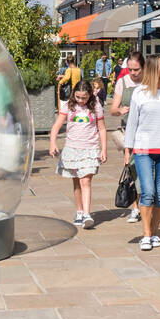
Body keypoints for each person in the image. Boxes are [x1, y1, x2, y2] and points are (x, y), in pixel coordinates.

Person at [122, 55, 160, 251]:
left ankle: (155, 233)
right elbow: (131, 124)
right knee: (147, 192)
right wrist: (127, 151)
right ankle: (146, 234)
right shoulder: (139, 93)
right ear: (155, 69)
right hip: (143, 150)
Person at [48, 79, 107, 229]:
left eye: (84, 98)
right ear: (74, 94)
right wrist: (53, 143)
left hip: (90, 149)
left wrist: (104, 149)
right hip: (72, 149)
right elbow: (56, 126)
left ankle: (87, 214)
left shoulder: (96, 106)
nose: (81, 100)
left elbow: (102, 128)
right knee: (76, 183)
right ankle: (79, 211)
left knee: (85, 180)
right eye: (78, 97)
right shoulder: (69, 105)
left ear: (90, 96)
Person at [109, 50, 144, 222]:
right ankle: (135, 207)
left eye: (136, 69)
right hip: (129, 130)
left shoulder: (149, 81)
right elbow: (113, 109)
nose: (133, 73)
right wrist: (120, 110)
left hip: (147, 130)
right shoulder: (123, 82)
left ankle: (147, 203)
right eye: (130, 69)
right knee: (131, 167)